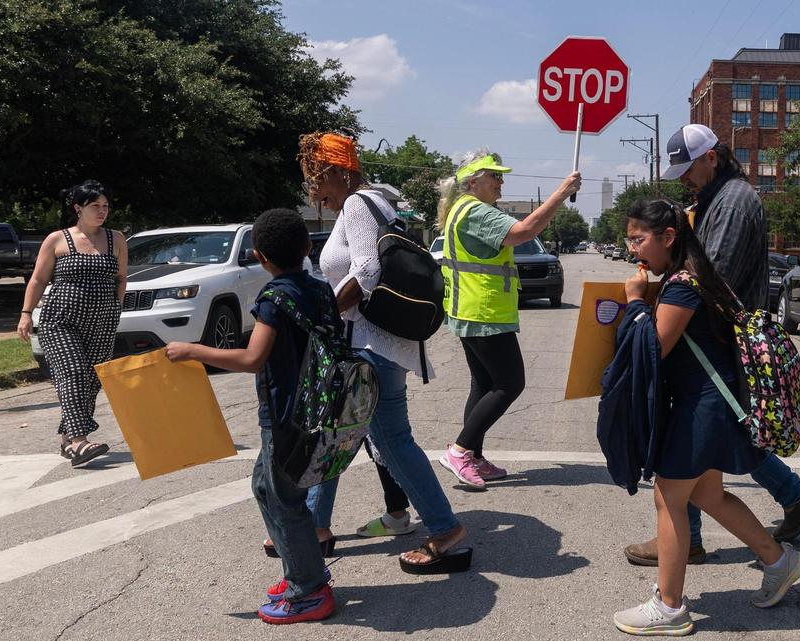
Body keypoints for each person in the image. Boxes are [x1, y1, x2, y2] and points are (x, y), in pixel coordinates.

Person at [623, 124, 800, 568]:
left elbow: (712, 277)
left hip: (722, 340)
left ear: (712, 157)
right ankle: (790, 498)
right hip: (716, 338)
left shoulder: (734, 201)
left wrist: (664, 297)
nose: (684, 179)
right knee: (721, 437)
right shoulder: (717, 197)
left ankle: (689, 540)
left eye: (689, 168)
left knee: (707, 437)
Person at [613, 199, 800, 636]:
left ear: (668, 238)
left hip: (703, 406)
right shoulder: (698, 277)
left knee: (668, 498)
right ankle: (780, 560)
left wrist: (634, 301)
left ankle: (669, 607)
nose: (632, 249)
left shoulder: (683, 286)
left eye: (639, 239)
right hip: (712, 403)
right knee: (708, 496)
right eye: (629, 239)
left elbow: (653, 348)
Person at [298, 132, 468, 571]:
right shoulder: (376, 202)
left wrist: (325, 316)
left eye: (317, 180)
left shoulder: (358, 203)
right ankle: (315, 526)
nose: (315, 192)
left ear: (336, 171)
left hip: (372, 343)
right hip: (374, 342)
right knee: (335, 430)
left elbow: (368, 270)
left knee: (389, 439)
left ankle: (444, 528)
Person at [165, 209, 335, 624]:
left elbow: (252, 357)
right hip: (319, 407)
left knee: (284, 498)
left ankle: (310, 590)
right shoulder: (320, 289)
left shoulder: (274, 298)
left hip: (285, 414)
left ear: (259, 256)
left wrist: (192, 351)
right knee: (265, 486)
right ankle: (302, 571)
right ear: (308, 247)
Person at [435, 150, 581, 489]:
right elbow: (524, 231)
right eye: (495, 177)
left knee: (484, 385)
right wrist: (561, 192)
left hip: (470, 309)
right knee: (509, 383)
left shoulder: (463, 208)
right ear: (473, 182)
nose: (501, 182)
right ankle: (459, 451)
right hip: (484, 311)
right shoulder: (476, 211)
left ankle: (474, 456)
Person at [17, 180, 125, 468]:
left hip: (102, 321)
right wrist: (26, 313)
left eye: (105, 206)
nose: (102, 211)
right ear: (78, 208)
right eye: (95, 206)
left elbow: (121, 278)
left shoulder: (116, 239)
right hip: (61, 319)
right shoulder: (57, 239)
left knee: (91, 381)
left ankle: (67, 441)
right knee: (74, 373)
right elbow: (39, 279)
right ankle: (79, 441)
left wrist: (116, 307)